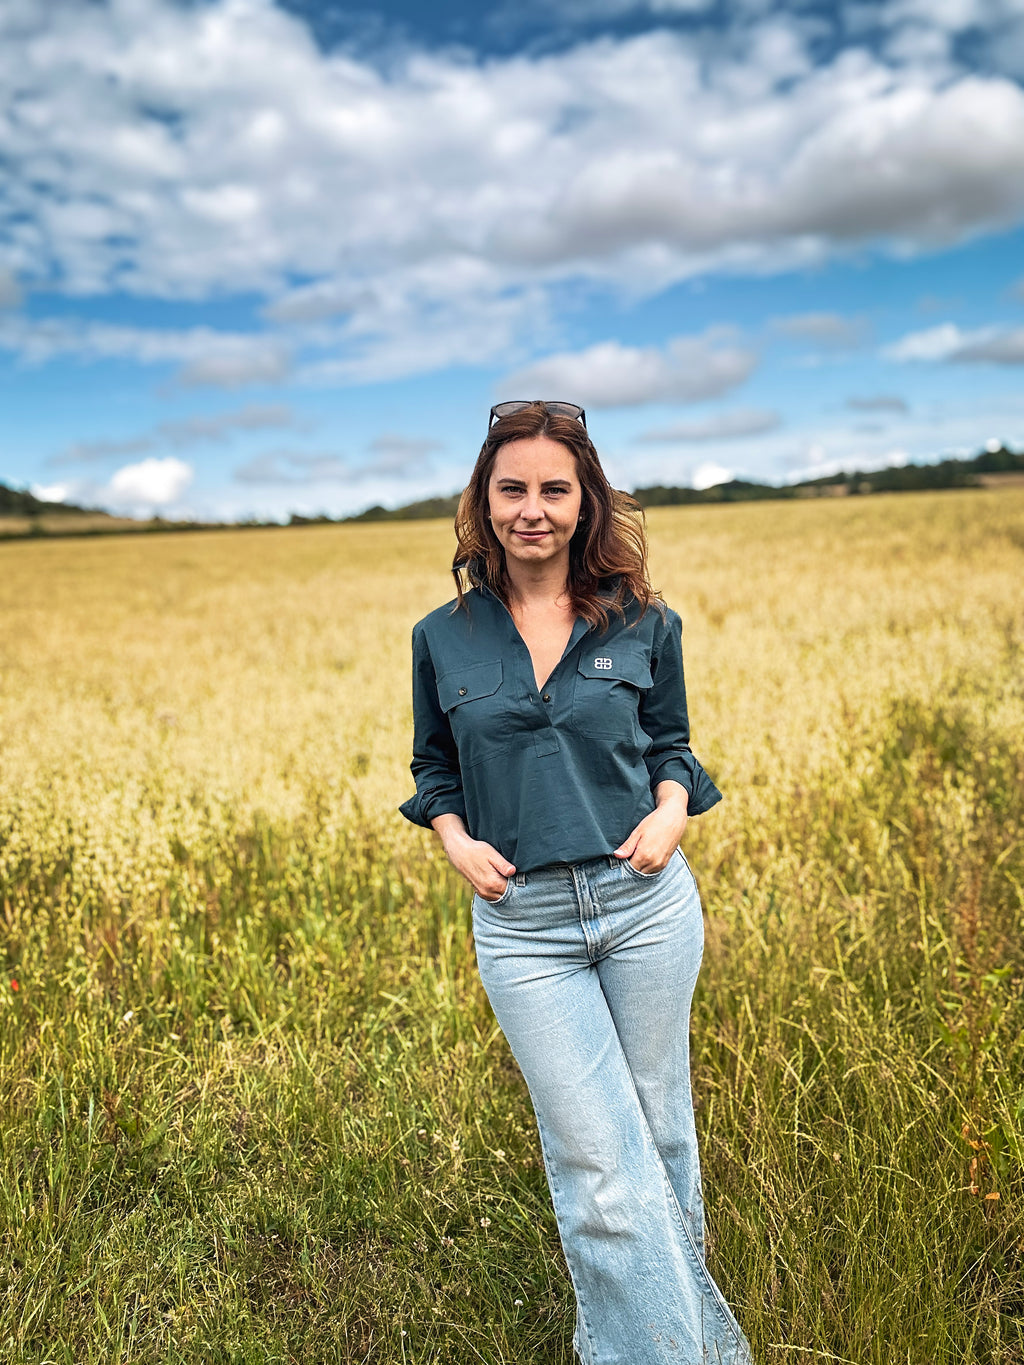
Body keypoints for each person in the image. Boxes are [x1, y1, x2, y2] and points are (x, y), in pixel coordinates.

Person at [400, 400, 751, 1365]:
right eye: (512, 488)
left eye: (555, 488)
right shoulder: (445, 636)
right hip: (525, 925)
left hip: (645, 908)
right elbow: (435, 768)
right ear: (485, 502)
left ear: (584, 500)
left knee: (659, 1144)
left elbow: (672, 746)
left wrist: (673, 812)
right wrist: (454, 839)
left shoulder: (645, 622)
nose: (532, 508)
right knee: (600, 1163)